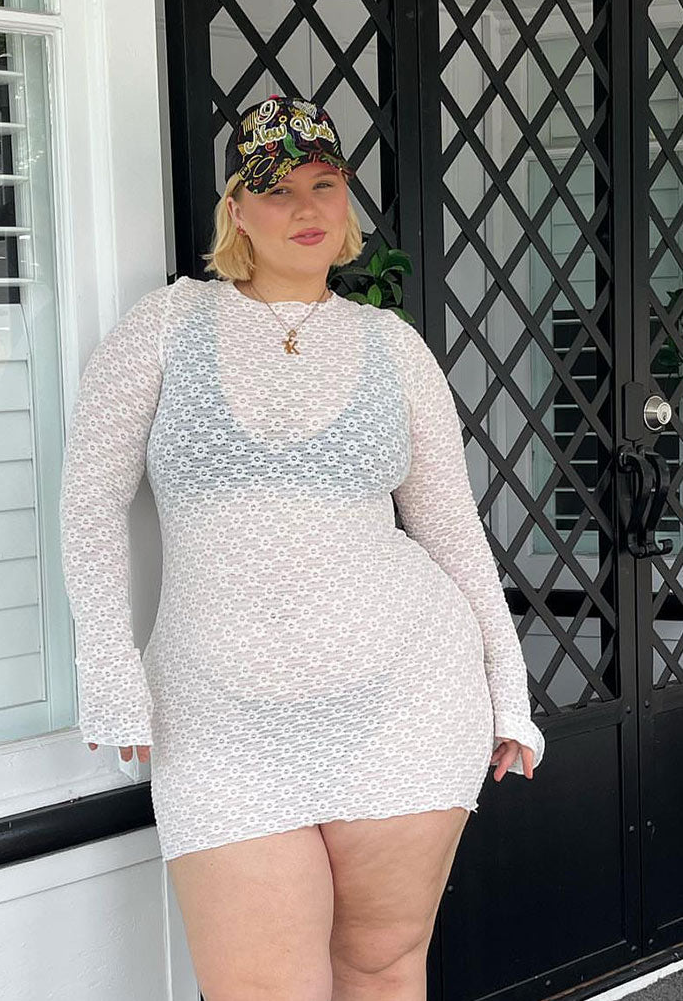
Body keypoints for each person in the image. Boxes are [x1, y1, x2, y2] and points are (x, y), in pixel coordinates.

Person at [59, 93, 545, 1001]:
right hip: (219, 718)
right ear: (236, 210)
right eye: (276, 190)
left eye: (324, 185)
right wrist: (110, 670)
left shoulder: (392, 345)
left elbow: (449, 527)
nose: (306, 208)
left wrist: (508, 689)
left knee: (381, 968)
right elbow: (89, 507)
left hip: (404, 701)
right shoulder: (163, 328)